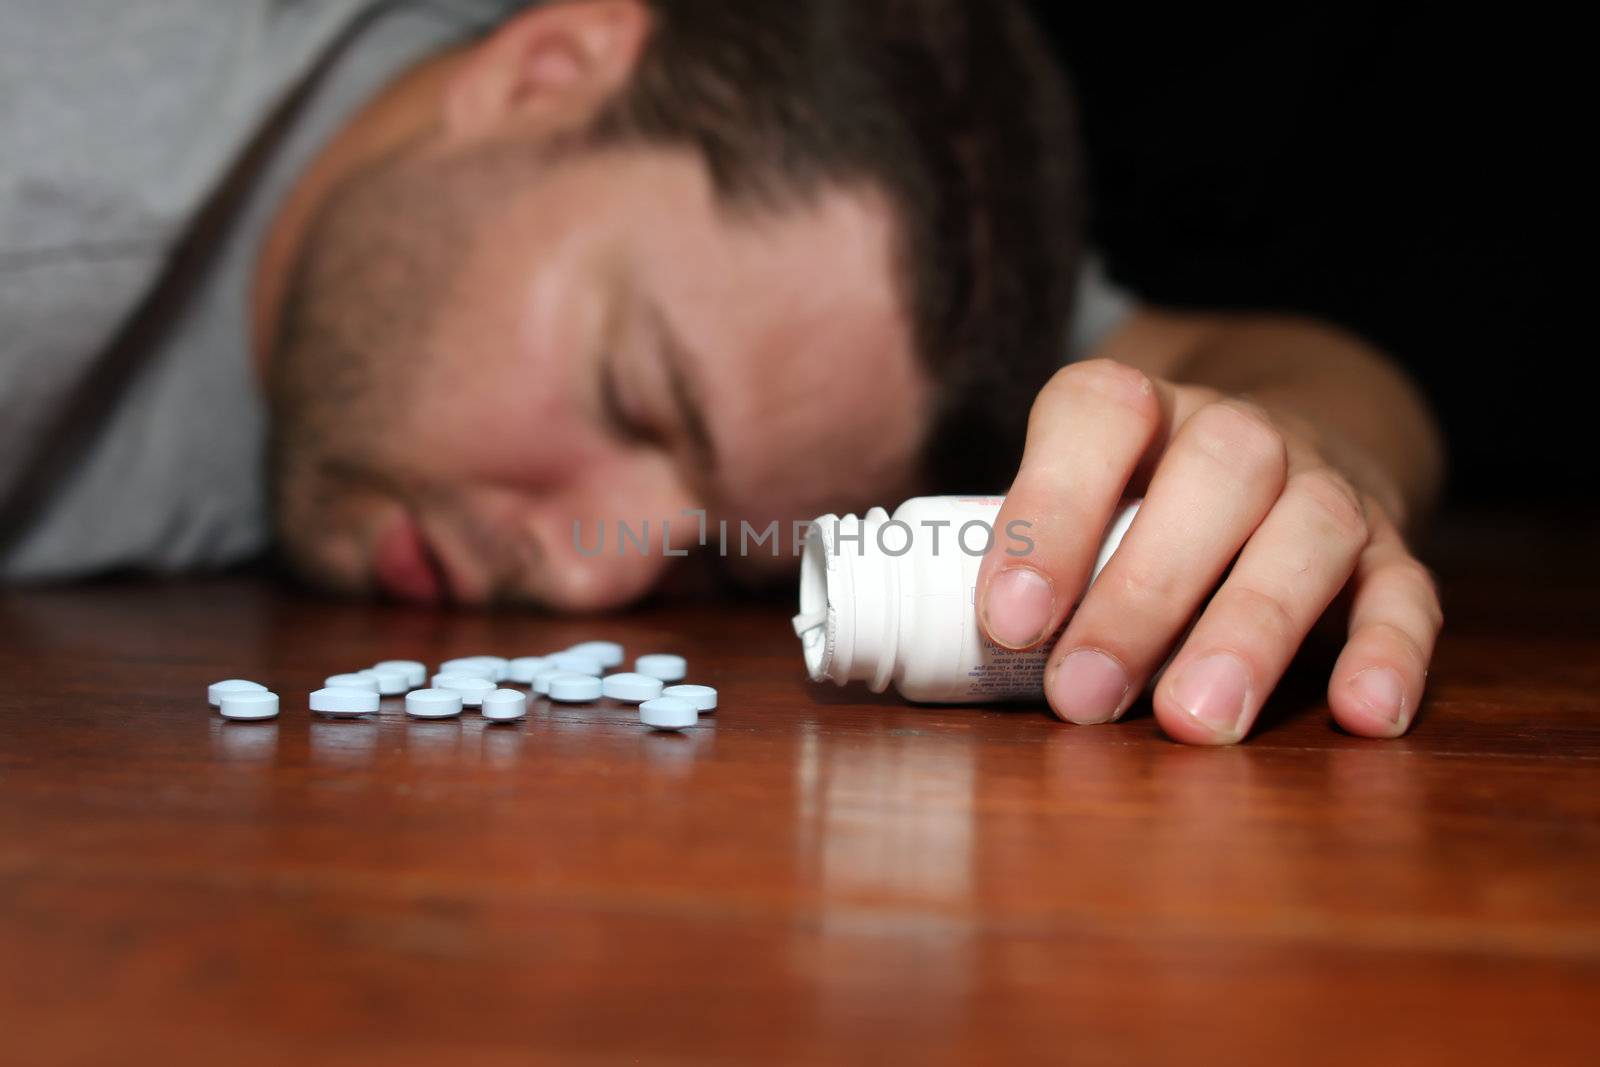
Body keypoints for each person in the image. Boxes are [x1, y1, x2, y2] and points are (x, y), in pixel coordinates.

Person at [0, 0, 1443, 746]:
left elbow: (1257, 364)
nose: (592, 580)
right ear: (547, 62)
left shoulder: (794, 288)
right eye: (635, 397)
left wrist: (1300, 462)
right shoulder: (47, 194)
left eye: (710, 560)